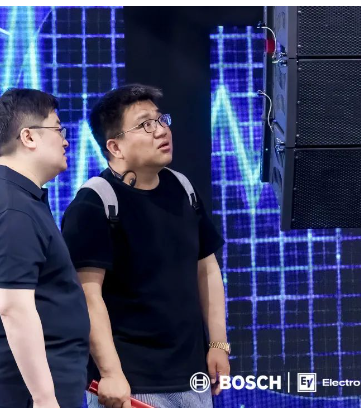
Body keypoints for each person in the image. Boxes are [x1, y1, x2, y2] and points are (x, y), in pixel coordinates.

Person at [61, 84, 230, 408]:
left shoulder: (182, 188)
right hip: (132, 386)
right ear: (115, 147)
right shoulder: (94, 203)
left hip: (194, 380)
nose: (161, 130)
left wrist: (218, 344)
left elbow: (207, 269)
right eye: (145, 124)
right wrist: (111, 373)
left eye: (161, 120)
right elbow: (87, 297)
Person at [0, 88, 90, 408]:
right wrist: (44, 398)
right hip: (26, 391)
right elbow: (14, 308)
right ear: (29, 137)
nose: (65, 140)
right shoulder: (12, 208)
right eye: (58, 129)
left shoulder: (19, 199)